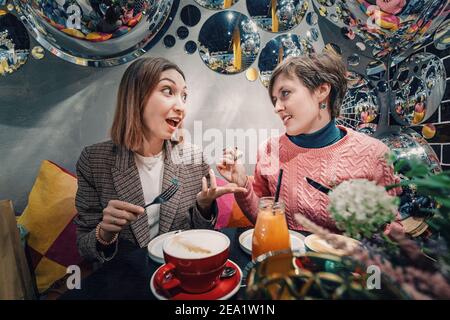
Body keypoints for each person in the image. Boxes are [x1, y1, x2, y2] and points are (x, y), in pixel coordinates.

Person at [75, 57, 246, 262]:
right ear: (136, 96)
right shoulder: (94, 161)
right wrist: (104, 234)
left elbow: (203, 236)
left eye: (184, 96)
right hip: (126, 277)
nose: (181, 107)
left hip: (180, 271)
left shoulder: (194, 158)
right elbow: (84, 246)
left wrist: (204, 206)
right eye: (168, 91)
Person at [218, 51, 403, 234]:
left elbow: (393, 234)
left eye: (285, 93)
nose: (277, 108)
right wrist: (242, 183)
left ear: (322, 90)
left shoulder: (374, 154)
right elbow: (263, 220)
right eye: (274, 99)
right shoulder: (269, 149)